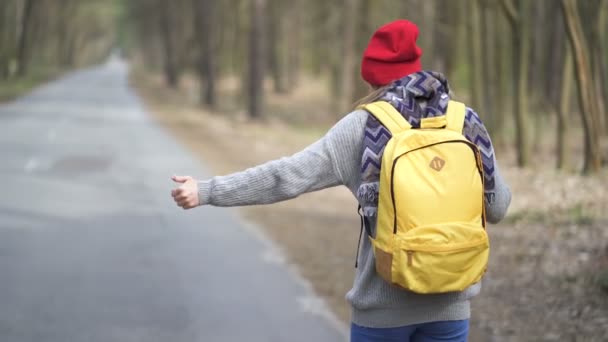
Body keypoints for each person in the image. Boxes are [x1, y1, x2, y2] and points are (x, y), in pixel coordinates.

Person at [171, 19, 511, 342]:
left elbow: (286, 177)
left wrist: (206, 191)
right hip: (450, 307)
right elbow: (498, 207)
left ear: (372, 79)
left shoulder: (363, 126)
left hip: (381, 312)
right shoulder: (464, 121)